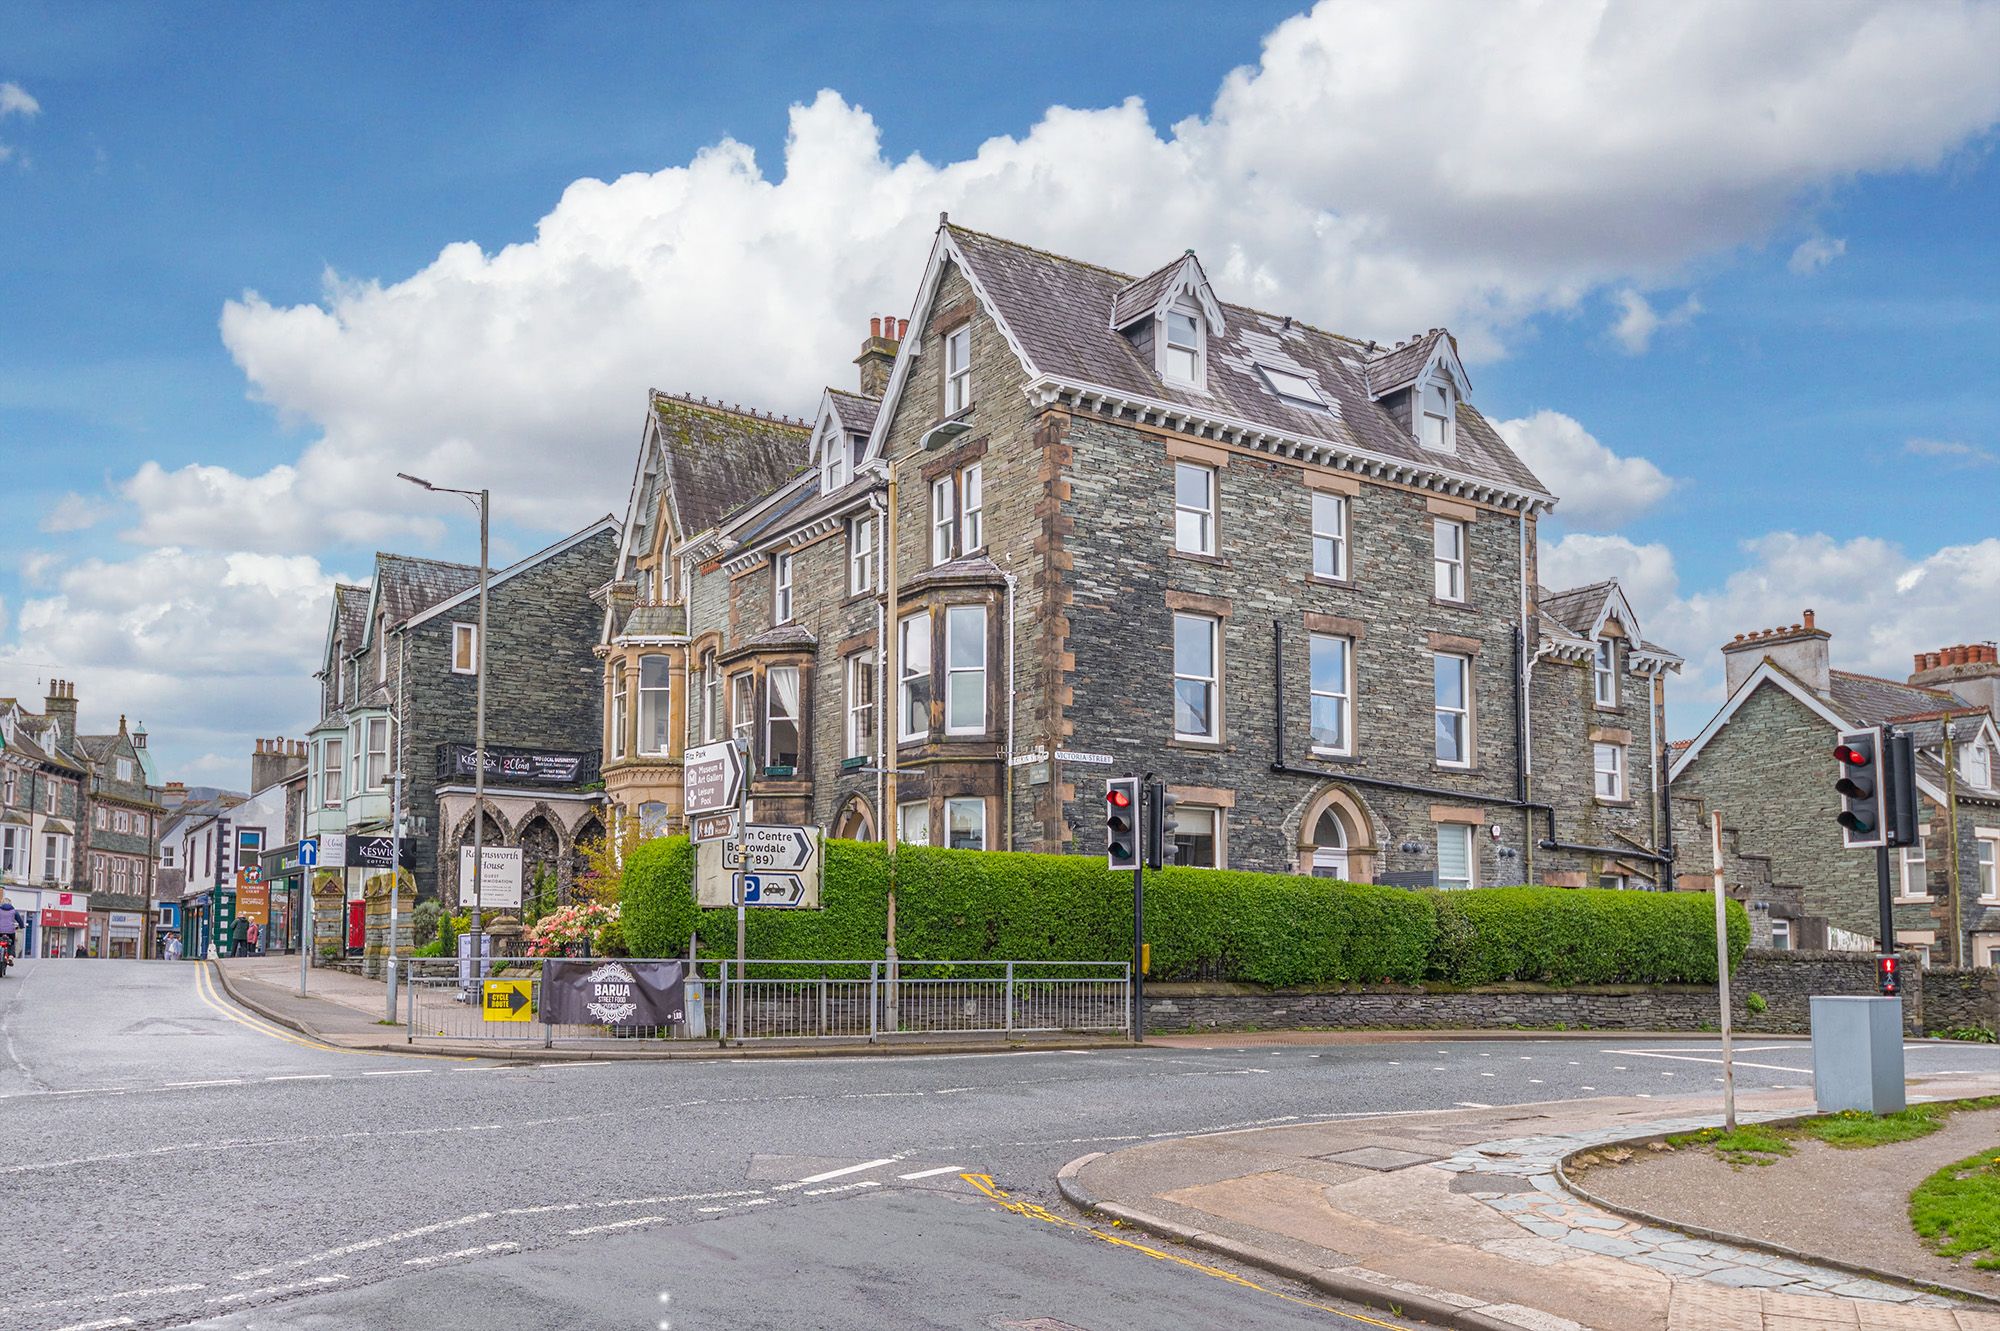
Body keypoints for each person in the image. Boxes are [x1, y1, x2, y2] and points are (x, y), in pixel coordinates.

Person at [0, 896, 20, 966]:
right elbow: (20, 921)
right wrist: (22, 926)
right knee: (12, 943)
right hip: (10, 931)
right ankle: (11, 957)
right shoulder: (14, 911)